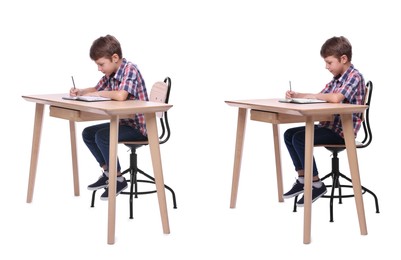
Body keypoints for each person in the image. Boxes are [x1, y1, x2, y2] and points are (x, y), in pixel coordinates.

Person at [282, 36, 365, 207]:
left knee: (299, 138)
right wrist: (298, 96)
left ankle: (316, 184)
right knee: (289, 134)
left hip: (342, 133)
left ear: (343, 59)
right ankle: (303, 178)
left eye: (329, 62)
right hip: (329, 127)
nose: (326, 67)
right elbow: (320, 97)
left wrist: (315, 96)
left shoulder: (354, 76)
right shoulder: (337, 79)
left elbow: (335, 98)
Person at [69, 34, 148, 200]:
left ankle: (117, 178)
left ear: (115, 58)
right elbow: (96, 88)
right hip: (124, 123)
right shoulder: (111, 74)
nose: (99, 68)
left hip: (139, 127)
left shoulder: (129, 70)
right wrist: (81, 91)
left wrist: (100, 93)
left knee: (102, 136)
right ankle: (108, 172)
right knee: (88, 134)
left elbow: (121, 96)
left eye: (101, 64)